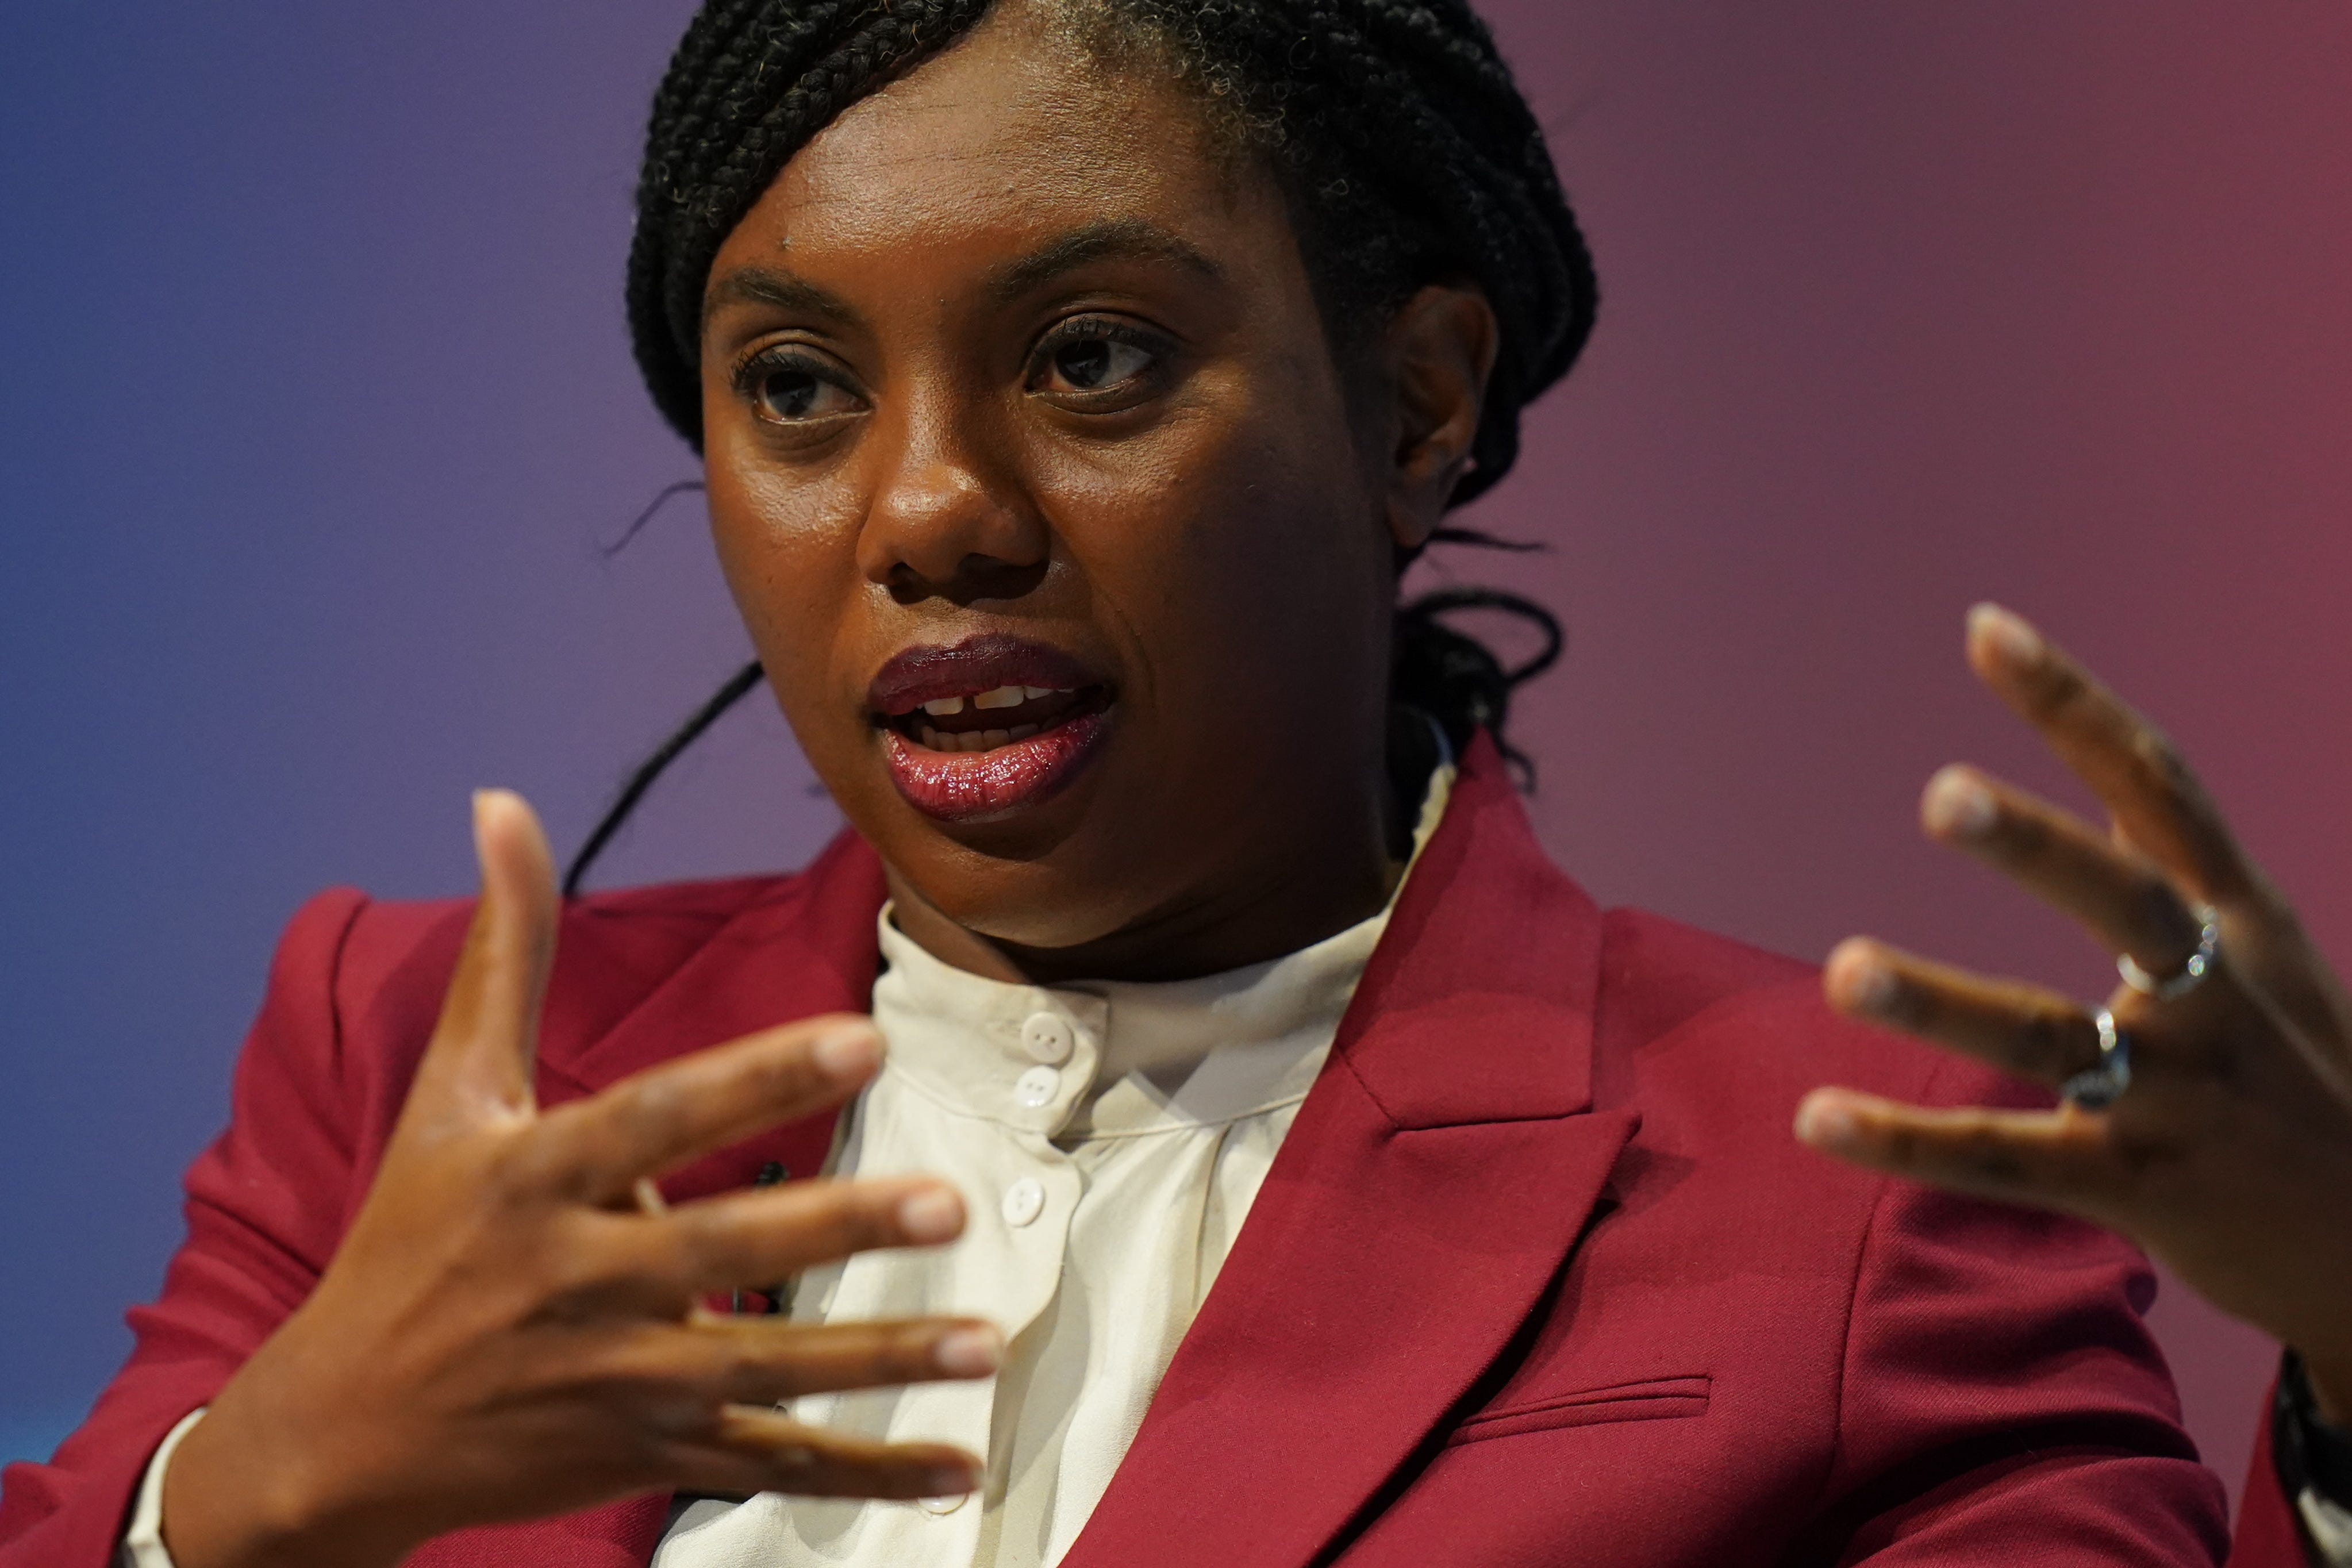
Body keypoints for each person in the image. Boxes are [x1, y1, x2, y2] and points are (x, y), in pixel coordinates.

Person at [2, 0, 2349, 1563]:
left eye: (1093, 354)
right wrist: (263, 1488)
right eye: (800, 387)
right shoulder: (431, 1072)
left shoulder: (1852, 1177)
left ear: (1421, 403)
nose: (926, 509)